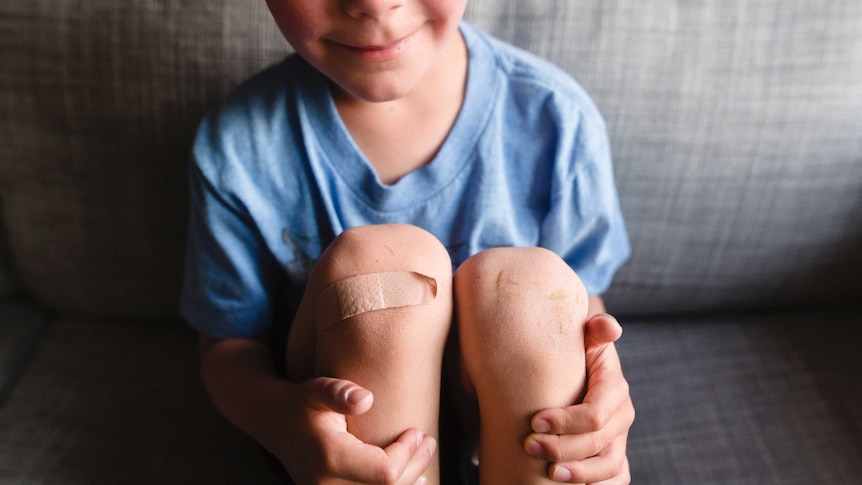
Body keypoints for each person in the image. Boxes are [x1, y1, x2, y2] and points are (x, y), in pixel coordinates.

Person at [181, 0, 634, 483]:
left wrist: (598, 402)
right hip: (348, 445)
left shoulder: (556, 119)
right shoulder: (240, 146)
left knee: (533, 287)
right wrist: (282, 422)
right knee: (382, 268)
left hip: (514, 428)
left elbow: (583, 311)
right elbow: (230, 347)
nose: (375, 4)